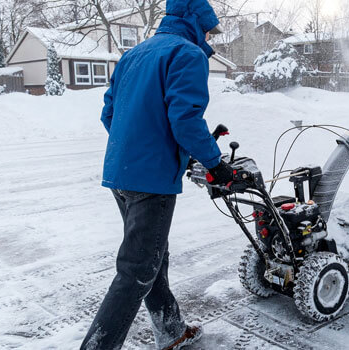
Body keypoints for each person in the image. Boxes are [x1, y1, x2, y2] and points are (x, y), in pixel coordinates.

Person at [80, 0, 234, 349]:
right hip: (151, 183)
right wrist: (215, 164)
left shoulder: (134, 55)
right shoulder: (187, 54)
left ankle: (172, 331)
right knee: (136, 271)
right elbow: (185, 121)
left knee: (151, 259)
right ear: (195, 21)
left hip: (121, 175)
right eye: (209, 29)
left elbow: (109, 114)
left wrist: (138, 146)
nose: (209, 36)